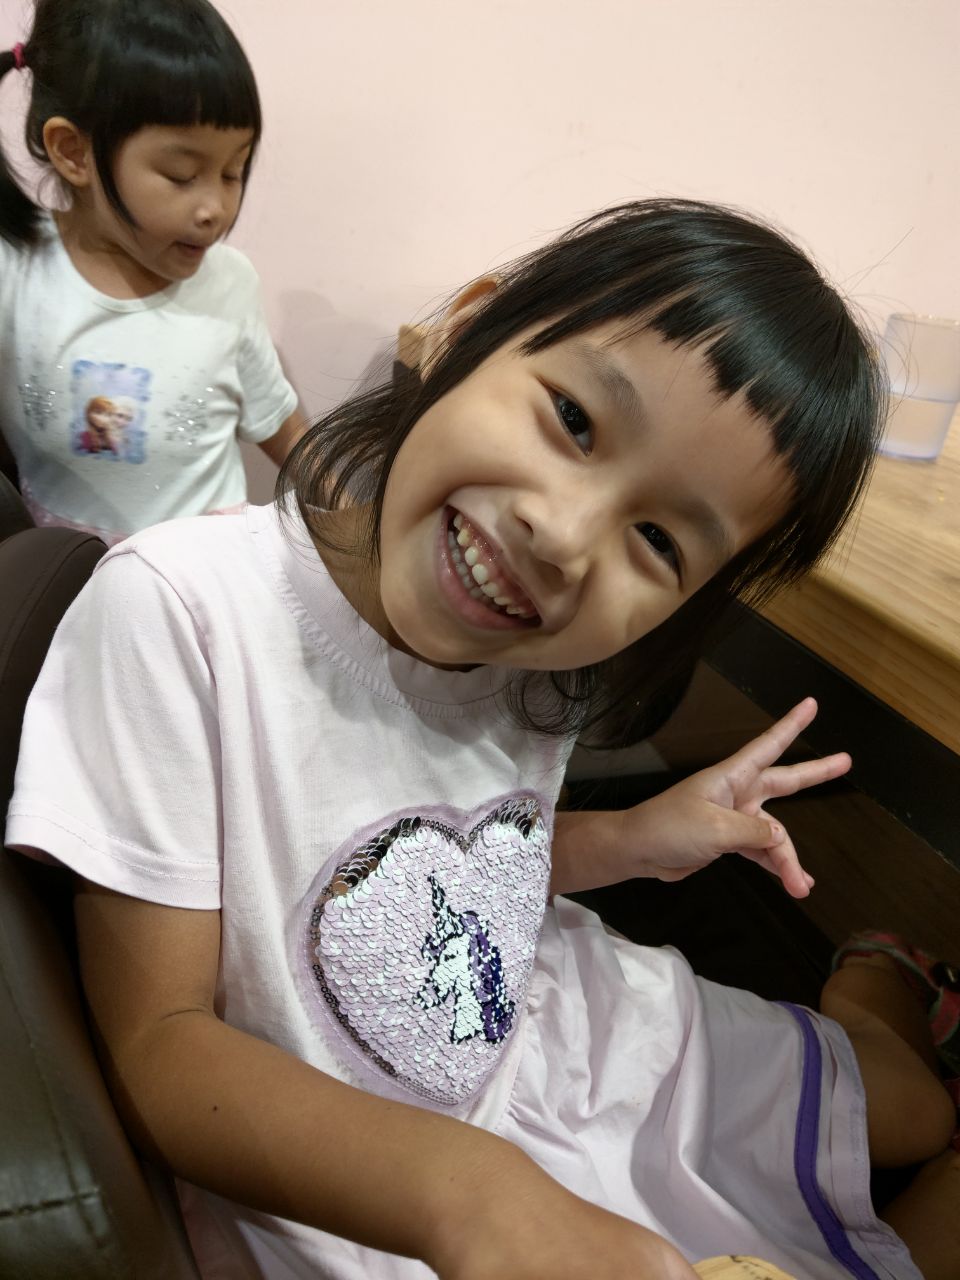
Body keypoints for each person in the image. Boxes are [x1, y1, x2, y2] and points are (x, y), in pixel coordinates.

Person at [8, 199, 957, 1279]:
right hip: (365, 1156)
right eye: (575, 420)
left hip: (556, 1026)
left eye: (657, 539)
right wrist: (473, 1194)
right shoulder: (182, 612)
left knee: (920, 1113)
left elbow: (460, 864)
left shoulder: (535, 656)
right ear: (467, 327)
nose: (563, 535)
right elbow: (158, 1041)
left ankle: (875, 974)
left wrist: (635, 837)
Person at [0, 0, 303, 546]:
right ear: (73, 152)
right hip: (68, 580)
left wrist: (354, 513)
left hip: (201, 573)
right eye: (182, 174)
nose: (216, 209)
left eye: (233, 172)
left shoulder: (229, 283)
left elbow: (285, 430)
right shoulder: (16, 272)